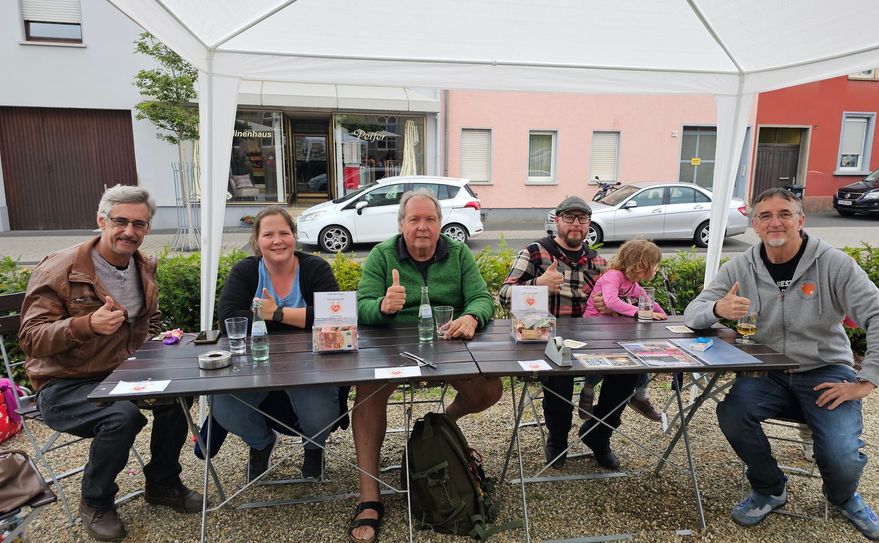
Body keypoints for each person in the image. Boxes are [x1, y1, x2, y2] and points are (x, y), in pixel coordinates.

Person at [683, 187, 879, 541]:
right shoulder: (740, 266)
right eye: (765, 216)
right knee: (731, 414)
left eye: (784, 213)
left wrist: (867, 380)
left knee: (841, 454)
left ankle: (843, 496)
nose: (775, 222)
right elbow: (693, 313)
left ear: (801, 219)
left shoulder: (833, 263)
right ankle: (770, 488)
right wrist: (718, 309)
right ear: (754, 224)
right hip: (767, 370)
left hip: (824, 370)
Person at [18, 185, 203, 541]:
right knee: (121, 416)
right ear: (101, 220)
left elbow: (151, 318)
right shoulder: (60, 268)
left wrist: (155, 344)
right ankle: (96, 501)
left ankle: (162, 482)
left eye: (139, 224)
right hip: (65, 384)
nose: (129, 231)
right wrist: (86, 324)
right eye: (121, 221)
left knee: (179, 395)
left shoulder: (142, 266)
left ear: (147, 229)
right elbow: (30, 338)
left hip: (123, 375)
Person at [349, 189, 499, 543]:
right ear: (401, 224)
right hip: (392, 349)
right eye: (414, 219)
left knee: (489, 389)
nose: (422, 226)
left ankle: (439, 425)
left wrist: (472, 317)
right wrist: (383, 306)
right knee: (367, 394)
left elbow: (482, 298)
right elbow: (361, 307)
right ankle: (369, 498)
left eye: (430, 219)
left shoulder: (459, 252)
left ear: (440, 224)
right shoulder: (382, 255)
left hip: (448, 346)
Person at [498, 195, 635, 471]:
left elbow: (624, 299)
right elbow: (503, 294)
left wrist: (610, 307)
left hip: (592, 340)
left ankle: (599, 433)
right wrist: (538, 284)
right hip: (544, 338)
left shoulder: (599, 262)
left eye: (582, 219)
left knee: (628, 371)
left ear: (588, 224)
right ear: (557, 221)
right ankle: (558, 439)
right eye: (569, 218)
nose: (576, 224)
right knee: (559, 371)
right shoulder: (536, 252)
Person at [215, 206, 342, 483]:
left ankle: (313, 447)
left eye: (284, 233)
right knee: (224, 408)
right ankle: (261, 443)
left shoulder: (314, 267)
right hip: (254, 365)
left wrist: (274, 313)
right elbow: (228, 320)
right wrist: (297, 318)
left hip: (311, 366)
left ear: (294, 237)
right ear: (257, 241)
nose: (277, 240)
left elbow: (334, 316)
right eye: (268, 234)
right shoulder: (246, 270)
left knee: (320, 413)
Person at [579, 238, 668, 423]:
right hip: (593, 328)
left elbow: (648, 301)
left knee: (639, 353)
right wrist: (640, 311)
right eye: (655, 265)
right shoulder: (614, 276)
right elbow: (611, 301)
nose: (656, 269)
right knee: (605, 359)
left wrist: (664, 316)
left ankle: (640, 396)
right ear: (640, 265)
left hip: (614, 330)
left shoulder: (632, 282)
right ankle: (588, 389)